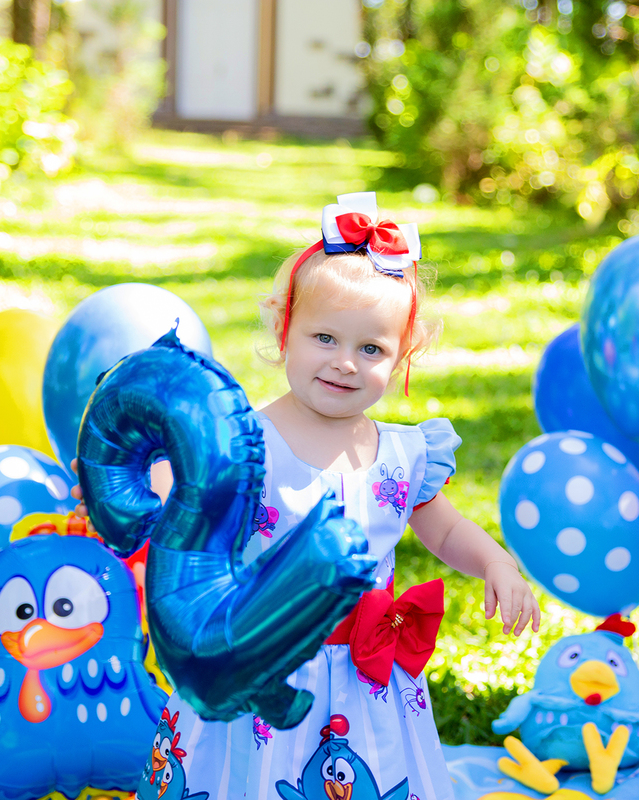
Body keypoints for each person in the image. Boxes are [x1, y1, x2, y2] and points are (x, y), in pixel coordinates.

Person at [75, 192, 539, 800]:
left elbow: (445, 530)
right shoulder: (247, 442)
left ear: (403, 356)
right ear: (282, 328)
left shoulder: (404, 454)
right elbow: (189, 497)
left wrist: (496, 562)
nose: (345, 363)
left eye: (371, 349)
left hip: (366, 680)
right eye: (325, 338)